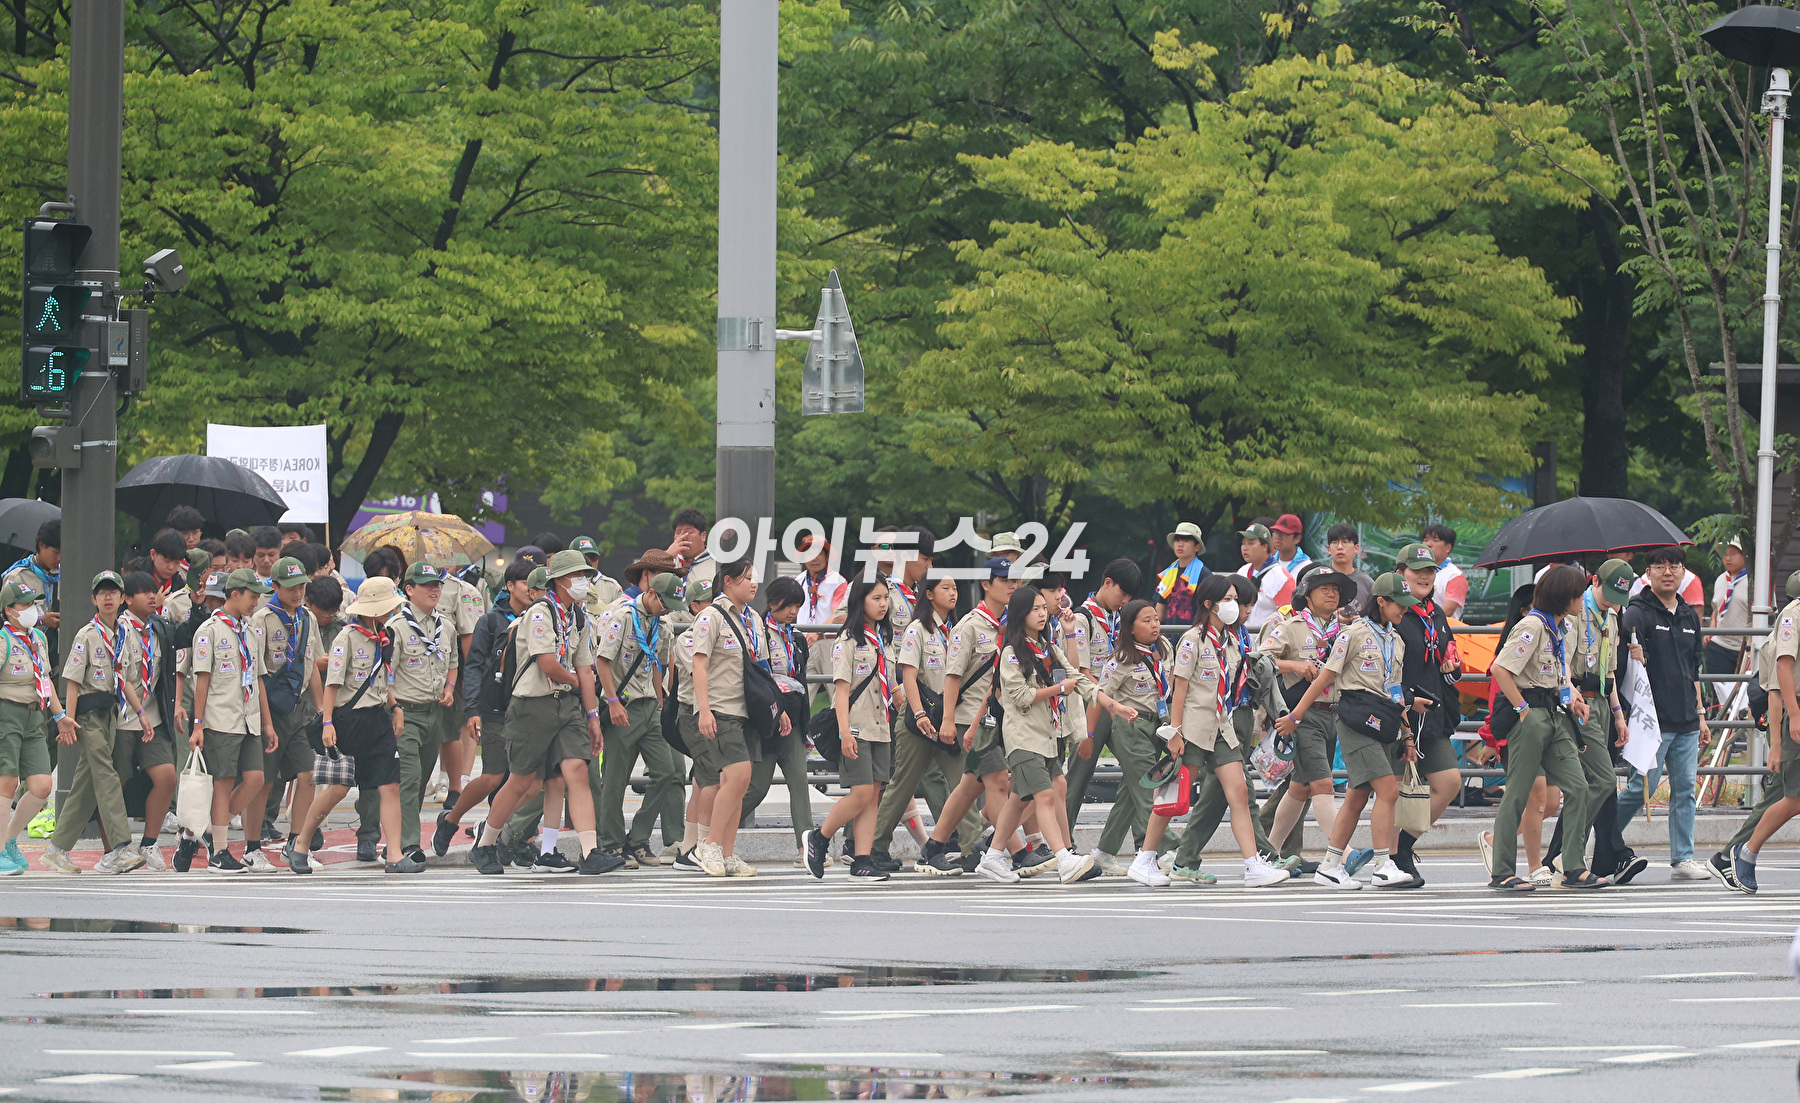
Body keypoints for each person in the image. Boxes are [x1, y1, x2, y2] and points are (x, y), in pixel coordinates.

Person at [468, 551, 623, 877]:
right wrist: (578, 683)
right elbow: (549, 664)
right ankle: (486, 843)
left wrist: (593, 715)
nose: (583, 581)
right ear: (561, 580)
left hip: (567, 707)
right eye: (578, 576)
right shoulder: (540, 613)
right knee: (521, 781)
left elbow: (585, 665)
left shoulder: (577, 617)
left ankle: (590, 851)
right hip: (532, 706)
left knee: (577, 771)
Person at [1281, 573, 1423, 891]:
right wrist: (1296, 716)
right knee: (1388, 791)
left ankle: (1331, 866)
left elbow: (1396, 691)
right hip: (1357, 719)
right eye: (1400, 604)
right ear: (1382, 602)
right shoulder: (1353, 634)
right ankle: (1384, 864)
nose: (1405, 610)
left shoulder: (1396, 641)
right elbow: (1324, 678)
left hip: (1384, 721)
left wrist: (1407, 733)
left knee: (1357, 797)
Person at [981, 585, 1128, 885]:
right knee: (1045, 794)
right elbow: (1021, 695)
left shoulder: (1048, 647)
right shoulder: (1012, 652)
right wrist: (1058, 689)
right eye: (1034, 609)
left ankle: (993, 856)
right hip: (1024, 737)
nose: (1040, 613)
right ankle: (1063, 858)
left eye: (1041, 608)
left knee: (1019, 799)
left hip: (1048, 735)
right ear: (1021, 614)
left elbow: (1077, 677)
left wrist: (1114, 705)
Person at [1481, 565, 1605, 890]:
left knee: (1578, 787)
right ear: (1564, 596)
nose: (1582, 600)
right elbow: (1500, 669)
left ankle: (1574, 866)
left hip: (1555, 713)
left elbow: (1556, 672)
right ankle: (1502, 871)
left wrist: (1572, 698)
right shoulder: (1533, 626)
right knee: (1519, 793)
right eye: (1579, 594)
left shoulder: (1558, 627)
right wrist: (1521, 709)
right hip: (1532, 714)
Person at [1163, 574, 1291, 889]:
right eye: (1232, 600)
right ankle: (1151, 856)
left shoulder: (1233, 638)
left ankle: (1254, 863)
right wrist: (1174, 731)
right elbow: (1179, 689)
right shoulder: (1194, 639)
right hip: (1195, 727)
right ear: (1209, 604)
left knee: (1238, 792)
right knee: (1174, 793)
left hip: (1226, 723)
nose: (1239, 608)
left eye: (1241, 601)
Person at [285, 576, 417, 875]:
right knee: (338, 789)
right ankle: (301, 844)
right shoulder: (347, 637)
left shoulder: (385, 636)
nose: (390, 612)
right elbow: (333, 683)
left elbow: (381, 678)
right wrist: (328, 722)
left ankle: (394, 855)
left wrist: (394, 707)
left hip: (377, 720)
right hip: (348, 719)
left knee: (390, 786)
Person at [914, 559, 1027, 874]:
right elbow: (952, 676)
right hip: (971, 718)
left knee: (970, 787)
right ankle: (1017, 852)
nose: (1012, 586)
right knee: (997, 782)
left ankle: (934, 846)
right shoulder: (970, 625)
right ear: (987, 584)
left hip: (996, 718)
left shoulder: (1008, 625)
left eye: (1014, 581)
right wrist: (948, 719)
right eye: (1004, 580)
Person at [42, 571, 154, 875]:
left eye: (113, 592)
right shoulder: (87, 635)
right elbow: (73, 682)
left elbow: (127, 679)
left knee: (86, 785)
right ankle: (120, 847)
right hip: (88, 715)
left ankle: (56, 849)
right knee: (106, 773)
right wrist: (68, 719)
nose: (108, 597)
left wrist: (141, 714)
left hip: (110, 714)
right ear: (94, 599)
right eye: (102, 593)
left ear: (122, 599)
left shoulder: (125, 634)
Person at [1542, 559, 1643, 884]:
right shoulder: (1576, 614)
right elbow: (1563, 664)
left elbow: (1610, 669)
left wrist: (1618, 715)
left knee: (1590, 785)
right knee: (1599, 780)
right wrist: (1571, 694)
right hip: (1578, 704)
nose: (1614, 601)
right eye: (1610, 592)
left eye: (1619, 596)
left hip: (1601, 703)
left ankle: (1564, 856)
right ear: (1595, 581)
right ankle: (1566, 855)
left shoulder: (1612, 617)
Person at [686, 556, 788, 877]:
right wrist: (703, 709)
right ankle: (710, 845)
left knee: (738, 784)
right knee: (739, 774)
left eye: (755, 578)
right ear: (728, 581)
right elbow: (698, 665)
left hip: (749, 712)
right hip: (720, 709)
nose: (754, 584)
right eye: (746, 578)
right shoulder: (710, 617)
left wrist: (778, 709)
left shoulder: (754, 620)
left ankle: (727, 853)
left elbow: (762, 669)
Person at [1618, 545, 1712, 880]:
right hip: (1651, 721)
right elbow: (1625, 667)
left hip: (1686, 718)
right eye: (1659, 565)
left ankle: (1683, 858)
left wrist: (1701, 715)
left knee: (1685, 789)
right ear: (1648, 573)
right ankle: (1605, 840)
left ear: (1684, 572)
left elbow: (1694, 670)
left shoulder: (1688, 615)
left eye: (1674, 565)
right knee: (1638, 788)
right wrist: (1634, 655)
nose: (1667, 571)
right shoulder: (1636, 613)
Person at [885, 573, 985, 874]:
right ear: (928, 594)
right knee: (902, 786)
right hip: (919, 719)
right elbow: (909, 676)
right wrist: (918, 714)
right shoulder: (917, 630)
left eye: (956, 588)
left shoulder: (954, 631)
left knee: (963, 782)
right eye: (946, 588)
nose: (953, 593)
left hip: (945, 718)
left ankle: (970, 848)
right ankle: (873, 848)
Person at [435, 560, 534, 857]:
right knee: (494, 775)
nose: (532, 589)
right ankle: (450, 819)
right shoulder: (491, 621)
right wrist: (473, 710)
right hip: (495, 708)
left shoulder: (540, 618)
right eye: (525, 582)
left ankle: (511, 838)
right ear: (510, 586)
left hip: (529, 708)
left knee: (526, 779)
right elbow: (475, 667)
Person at [181, 569, 277, 872]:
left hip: (248, 718)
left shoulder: (251, 631)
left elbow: (259, 678)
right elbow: (202, 681)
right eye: (252, 596)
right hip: (220, 718)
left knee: (255, 780)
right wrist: (198, 724)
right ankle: (219, 852)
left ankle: (202, 830)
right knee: (222, 783)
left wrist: (267, 723)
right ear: (234, 594)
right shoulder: (209, 631)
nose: (255, 602)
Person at [806, 577, 898, 881]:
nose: (883, 604)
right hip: (856, 727)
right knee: (859, 793)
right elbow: (841, 691)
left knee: (873, 794)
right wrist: (845, 732)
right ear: (860, 601)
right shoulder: (848, 640)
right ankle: (820, 838)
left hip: (881, 726)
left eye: (886, 598)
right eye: (876, 598)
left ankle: (862, 859)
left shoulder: (882, 639)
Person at [1259, 566, 1351, 866]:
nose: (1331, 593)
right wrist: (1296, 666)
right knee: (1323, 785)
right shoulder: (1291, 626)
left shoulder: (1346, 631)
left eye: (1335, 588)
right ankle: (1342, 854)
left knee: (1300, 787)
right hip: (1302, 715)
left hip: (1333, 713)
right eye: (1323, 588)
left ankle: (1269, 851)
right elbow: (1261, 659)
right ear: (1307, 595)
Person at [594, 571, 682, 867]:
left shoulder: (663, 623)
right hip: (624, 706)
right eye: (665, 603)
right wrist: (613, 700)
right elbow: (602, 661)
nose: (668, 609)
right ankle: (612, 843)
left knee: (666, 771)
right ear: (652, 594)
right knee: (616, 779)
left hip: (649, 707)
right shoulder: (623, 617)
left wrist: (660, 698)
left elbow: (659, 662)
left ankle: (639, 837)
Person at [1389, 543, 1464, 883]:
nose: (1423, 576)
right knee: (1389, 792)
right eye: (1416, 569)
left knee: (1449, 783)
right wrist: (1404, 702)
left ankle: (1403, 846)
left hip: (1433, 716)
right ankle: (1384, 858)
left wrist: (1452, 669)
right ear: (1399, 572)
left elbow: (1441, 661)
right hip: (1399, 714)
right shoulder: (1394, 612)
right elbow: (1383, 669)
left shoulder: (1435, 612)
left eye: (1430, 570)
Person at [1723, 569, 1800, 894]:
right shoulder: (1793, 616)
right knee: (1795, 798)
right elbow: (1783, 667)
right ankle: (1746, 851)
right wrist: (1793, 718)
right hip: (1799, 709)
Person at [1062, 558, 1142, 859]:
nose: (1125, 600)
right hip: (1091, 703)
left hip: (1116, 704)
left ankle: (1133, 844)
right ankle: (1063, 844)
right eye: (1122, 592)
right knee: (1078, 777)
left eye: (1129, 597)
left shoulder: (1119, 618)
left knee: (1138, 770)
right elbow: (1081, 670)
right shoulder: (1083, 619)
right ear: (1107, 582)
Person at [1092, 598, 1175, 886]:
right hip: (1130, 727)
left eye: (1156, 619)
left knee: (1130, 792)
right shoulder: (1120, 660)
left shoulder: (1163, 649)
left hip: (1158, 726)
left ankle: (1104, 851)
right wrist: (1095, 730)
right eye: (1146, 620)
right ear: (1130, 627)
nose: (1155, 625)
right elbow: (1100, 694)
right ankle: (1169, 848)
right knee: (1148, 787)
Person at [383, 562, 459, 864]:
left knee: (422, 776)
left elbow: (453, 661)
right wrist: (394, 708)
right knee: (409, 778)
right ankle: (408, 844)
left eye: (437, 584)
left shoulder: (446, 626)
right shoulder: (397, 627)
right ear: (409, 589)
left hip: (433, 713)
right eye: (426, 584)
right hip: (405, 712)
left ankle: (399, 836)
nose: (435, 589)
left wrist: (450, 687)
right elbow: (386, 673)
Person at [741, 576, 816, 866]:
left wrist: (803, 722)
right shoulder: (758, 634)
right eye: (788, 606)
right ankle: (713, 832)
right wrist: (776, 708)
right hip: (766, 721)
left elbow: (802, 680)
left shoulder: (796, 639)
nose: (793, 612)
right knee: (757, 786)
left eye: (798, 606)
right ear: (772, 604)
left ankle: (805, 848)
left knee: (799, 781)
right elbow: (759, 679)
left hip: (794, 722)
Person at [250, 558, 324, 849]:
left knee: (309, 773)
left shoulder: (308, 618)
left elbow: (312, 665)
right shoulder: (262, 620)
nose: (298, 593)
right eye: (291, 587)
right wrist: (266, 722)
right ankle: (252, 844)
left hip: (300, 708)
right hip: (270, 708)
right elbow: (256, 673)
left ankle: (296, 841)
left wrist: (321, 710)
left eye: (302, 586)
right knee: (265, 781)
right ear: (275, 586)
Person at [0, 583, 56, 874]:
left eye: (34, 604)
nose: (32, 610)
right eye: (24, 606)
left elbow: (45, 678)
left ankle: (8, 839)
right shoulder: (3, 641)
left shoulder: (39, 639)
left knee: (42, 786)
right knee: (7, 781)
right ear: (9, 611)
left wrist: (60, 716)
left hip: (35, 715)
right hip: (7, 712)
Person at [4, 520, 60, 656]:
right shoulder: (18, 577)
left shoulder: (66, 576)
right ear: (42, 545)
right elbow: (6, 615)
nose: (59, 558)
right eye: (56, 553)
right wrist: (40, 620)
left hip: (57, 653)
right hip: (23, 651)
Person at [1708, 535, 1752, 706]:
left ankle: (1743, 729)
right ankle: (1722, 724)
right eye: (1724, 554)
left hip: (1745, 648)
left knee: (1744, 697)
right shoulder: (1721, 579)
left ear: (1744, 555)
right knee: (1721, 691)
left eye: (1733, 553)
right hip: (1720, 644)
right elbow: (1715, 609)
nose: (1727, 558)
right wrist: (1711, 629)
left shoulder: (1753, 582)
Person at [1235, 523, 1294, 632]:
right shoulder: (1242, 572)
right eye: (1243, 544)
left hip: (1268, 641)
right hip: (1242, 640)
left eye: (1251, 543)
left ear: (1265, 546)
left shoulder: (1281, 577)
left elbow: (1289, 617)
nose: (1245, 548)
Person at [1155, 522, 1208, 629]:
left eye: (1186, 540)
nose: (1180, 544)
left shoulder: (1204, 574)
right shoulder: (1168, 573)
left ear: (1197, 547)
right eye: (1177, 540)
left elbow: (1208, 611)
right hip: (1169, 634)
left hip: (1194, 636)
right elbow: (1159, 611)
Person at [1325, 523, 1373, 617]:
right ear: (1329, 549)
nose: (1340, 547)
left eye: (1345, 542)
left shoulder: (1368, 584)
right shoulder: (1319, 578)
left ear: (1356, 548)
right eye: (1335, 542)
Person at [1420, 524, 1467, 620]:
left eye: (1435, 540)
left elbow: (1447, 611)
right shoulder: (1415, 571)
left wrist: (1425, 621)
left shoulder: (1454, 575)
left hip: (1446, 631)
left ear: (1448, 548)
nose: (1428, 544)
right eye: (1425, 540)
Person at [667, 509, 715, 594]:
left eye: (688, 532)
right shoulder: (668, 562)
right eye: (678, 533)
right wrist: (667, 557)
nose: (683, 537)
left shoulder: (717, 565)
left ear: (703, 536)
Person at [571, 535, 625, 611]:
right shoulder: (566, 584)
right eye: (585, 558)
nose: (590, 562)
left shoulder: (612, 586)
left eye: (593, 557)